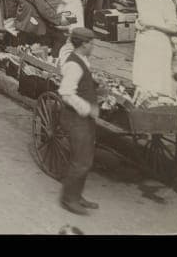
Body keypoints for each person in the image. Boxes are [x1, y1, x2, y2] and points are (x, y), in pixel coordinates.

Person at [58, 27, 101, 216]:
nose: (93, 46)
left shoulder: (82, 59)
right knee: (80, 161)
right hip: (76, 119)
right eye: (92, 43)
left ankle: (77, 195)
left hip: (84, 119)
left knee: (86, 159)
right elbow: (66, 93)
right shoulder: (74, 65)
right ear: (84, 44)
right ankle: (69, 199)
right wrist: (88, 108)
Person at [132, 0, 177, 99]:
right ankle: (141, 102)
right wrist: (138, 23)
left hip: (159, 43)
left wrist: (152, 24)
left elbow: (174, 28)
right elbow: (141, 15)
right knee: (142, 76)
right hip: (143, 40)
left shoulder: (165, 1)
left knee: (157, 80)